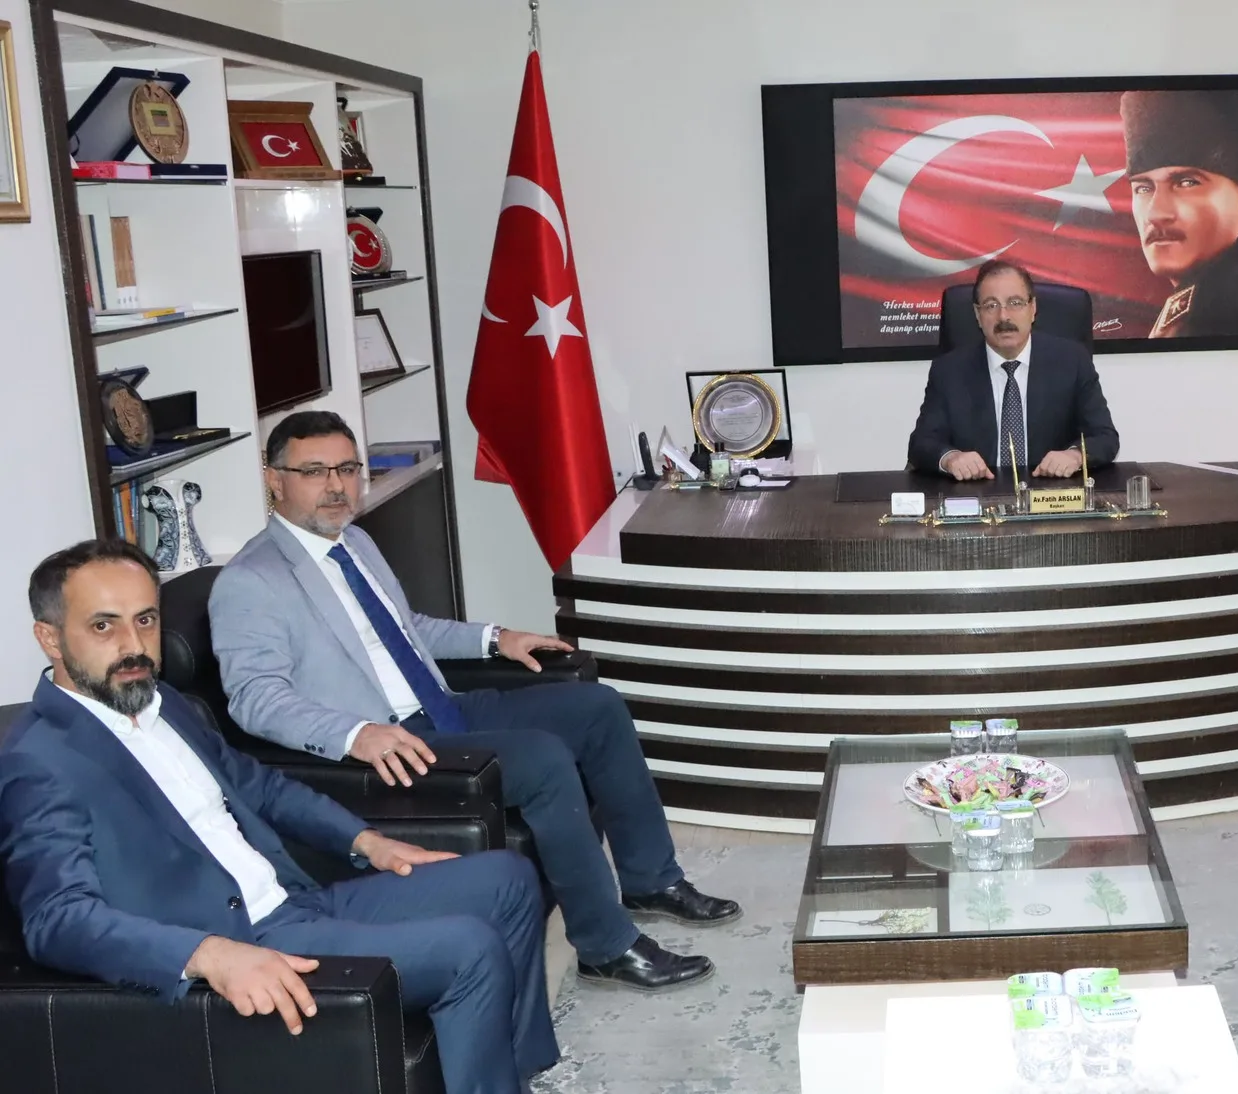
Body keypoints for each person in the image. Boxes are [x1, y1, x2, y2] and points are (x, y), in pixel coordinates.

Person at [210, 411, 740, 995]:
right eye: (314, 471)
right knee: (543, 761)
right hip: (396, 745)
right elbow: (254, 698)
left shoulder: (354, 541)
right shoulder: (251, 580)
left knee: (598, 706)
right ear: (275, 480)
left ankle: (650, 879)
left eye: (346, 468)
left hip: (442, 707)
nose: (336, 485)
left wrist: (495, 638)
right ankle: (605, 946)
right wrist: (354, 734)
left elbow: (406, 629)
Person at [0, 540, 558, 1094]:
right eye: (103, 626)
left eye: (145, 620)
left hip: (294, 899)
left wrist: (365, 841)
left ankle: (517, 1071)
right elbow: (57, 919)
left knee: (507, 878)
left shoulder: (162, 703)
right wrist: (205, 955)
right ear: (49, 637)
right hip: (247, 941)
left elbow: (260, 787)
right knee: (469, 950)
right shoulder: (40, 761)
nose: (133, 645)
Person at [906, 260, 1119, 481]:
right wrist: (951, 458)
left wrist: (1075, 456)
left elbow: (1105, 437)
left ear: (1032, 308)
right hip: (979, 492)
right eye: (991, 305)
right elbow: (922, 443)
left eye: (1015, 303)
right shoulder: (949, 371)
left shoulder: (1072, 361)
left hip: (1049, 493)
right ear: (977, 314)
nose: (1003, 317)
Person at [1120, 89, 1238, 338]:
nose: (1156, 214)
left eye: (1187, 183)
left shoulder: (1226, 308)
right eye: (1144, 188)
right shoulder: (1202, 302)